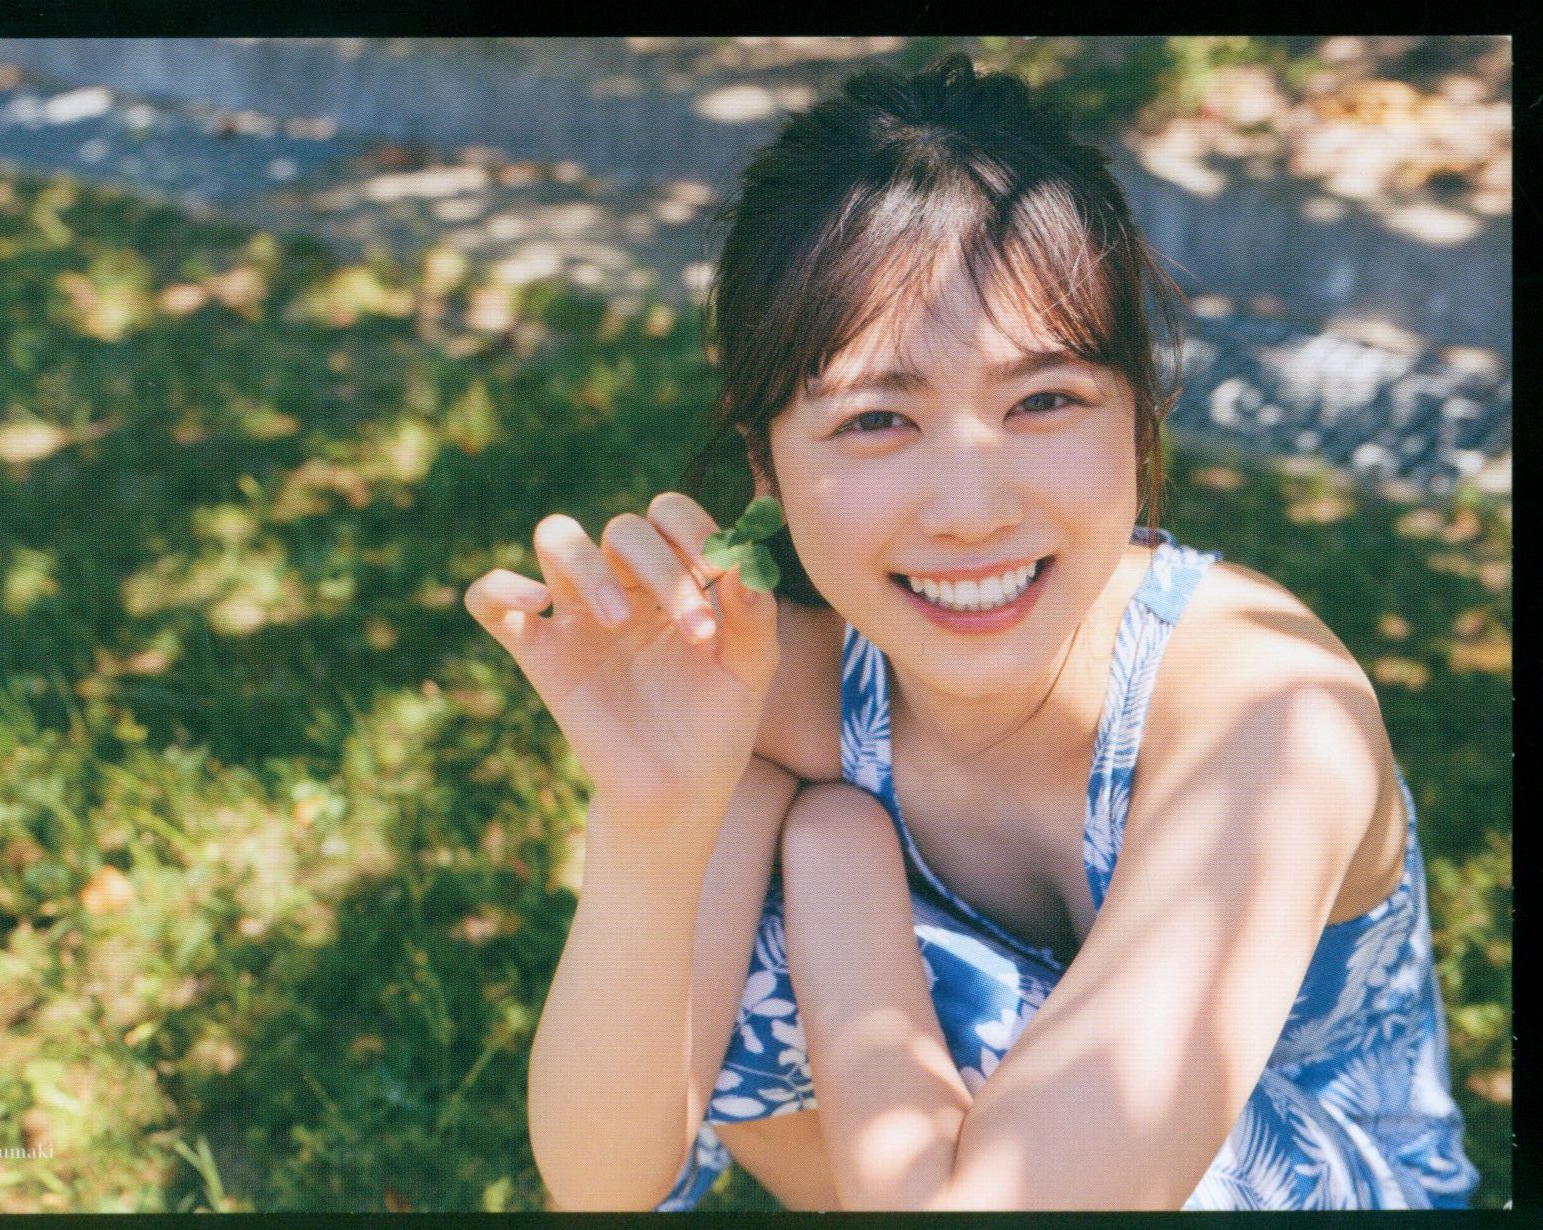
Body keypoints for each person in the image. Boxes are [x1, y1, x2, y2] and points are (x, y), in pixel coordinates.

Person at [464, 53, 1479, 1211]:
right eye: (875, 419)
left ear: (1135, 410)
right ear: (767, 464)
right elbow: (605, 1181)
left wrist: (837, 876)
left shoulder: (1268, 713)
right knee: (746, 912)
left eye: (1042, 400)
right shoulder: (761, 691)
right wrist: (652, 824)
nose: (968, 510)